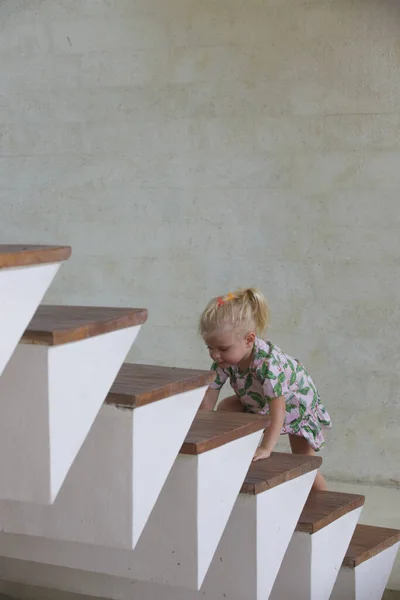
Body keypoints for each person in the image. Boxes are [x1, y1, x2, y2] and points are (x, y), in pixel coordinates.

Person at [199, 287, 331, 491]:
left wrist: (266, 447)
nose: (215, 355)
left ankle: (326, 502)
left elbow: (278, 409)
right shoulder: (224, 360)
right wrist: (200, 429)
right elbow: (211, 394)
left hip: (295, 405)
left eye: (223, 349)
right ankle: (236, 452)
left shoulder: (268, 365)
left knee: (303, 462)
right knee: (227, 407)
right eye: (210, 348)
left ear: (249, 340)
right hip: (259, 399)